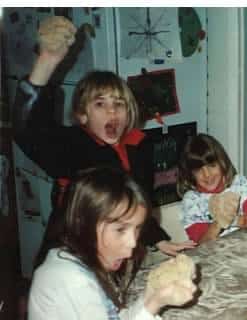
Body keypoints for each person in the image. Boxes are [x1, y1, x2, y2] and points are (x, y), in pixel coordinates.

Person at [12, 15, 194, 256]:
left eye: (119, 104)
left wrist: (158, 240)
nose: (112, 110)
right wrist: (47, 61)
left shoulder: (138, 147)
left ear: (129, 113)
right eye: (100, 104)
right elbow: (28, 130)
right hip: (75, 256)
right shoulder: (73, 147)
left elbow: (138, 206)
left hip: (119, 256)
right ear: (83, 115)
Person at [28, 166, 197, 320]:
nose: (132, 244)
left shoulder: (78, 263)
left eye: (137, 229)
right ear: (83, 221)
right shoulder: (67, 279)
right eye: (120, 230)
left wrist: (153, 292)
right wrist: (155, 302)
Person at [177, 133, 247, 243]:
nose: (207, 175)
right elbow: (203, 244)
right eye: (198, 170)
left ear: (222, 162)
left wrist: (233, 220)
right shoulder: (192, 201)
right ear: (190, 174)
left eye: (212, 166)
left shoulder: (238, 184)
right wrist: (219, 222)